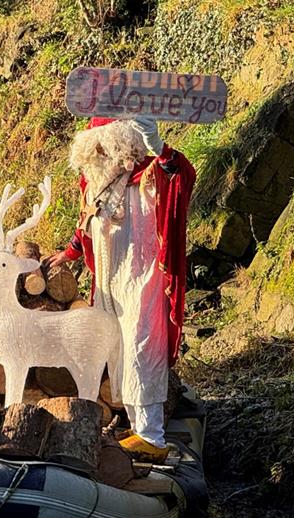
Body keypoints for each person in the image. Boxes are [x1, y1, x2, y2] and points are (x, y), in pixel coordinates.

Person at [44, 116, 196, 463]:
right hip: (110, 282)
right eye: (92, 147)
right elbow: (87, 221)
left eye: (103, 146)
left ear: (122, 143)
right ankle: (137, 426)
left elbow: (181, 176)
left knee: (144, 348)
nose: (96, 153)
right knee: (119, 351)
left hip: (144, 278)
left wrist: (160, 148)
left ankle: (153, 436)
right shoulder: (94, 179)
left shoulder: (151, 173)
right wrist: (70, 252)